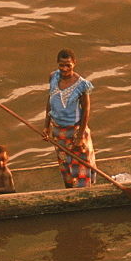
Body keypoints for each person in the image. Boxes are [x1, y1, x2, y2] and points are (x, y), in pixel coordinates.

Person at [43, 48, 97, 188]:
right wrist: (46, 126)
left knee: (80, 166)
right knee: (64, 163)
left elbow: (86, 111)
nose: (65, 68)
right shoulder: (53, 77)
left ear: (74, 63)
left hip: (75, 130)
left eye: (68, 65)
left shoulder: (81, 85)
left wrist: (79, 137)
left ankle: (84, 192)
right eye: (62, 65)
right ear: (57, 64)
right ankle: (69, 190)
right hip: (58, 130)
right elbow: (50, 101)